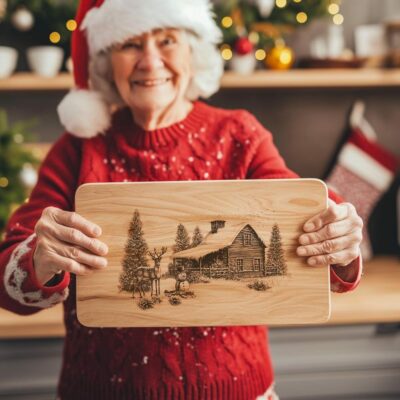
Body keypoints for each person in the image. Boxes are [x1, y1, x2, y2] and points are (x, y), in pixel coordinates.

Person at [0, 0, 363, 399]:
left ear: (193, 50)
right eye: (129, 44)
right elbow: (8, 283)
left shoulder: (238, 133)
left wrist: (339, 236)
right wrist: (38, 257)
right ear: (106, 61)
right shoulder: (77, 150)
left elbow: (300, 208)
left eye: (167, 39)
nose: (150, 62)